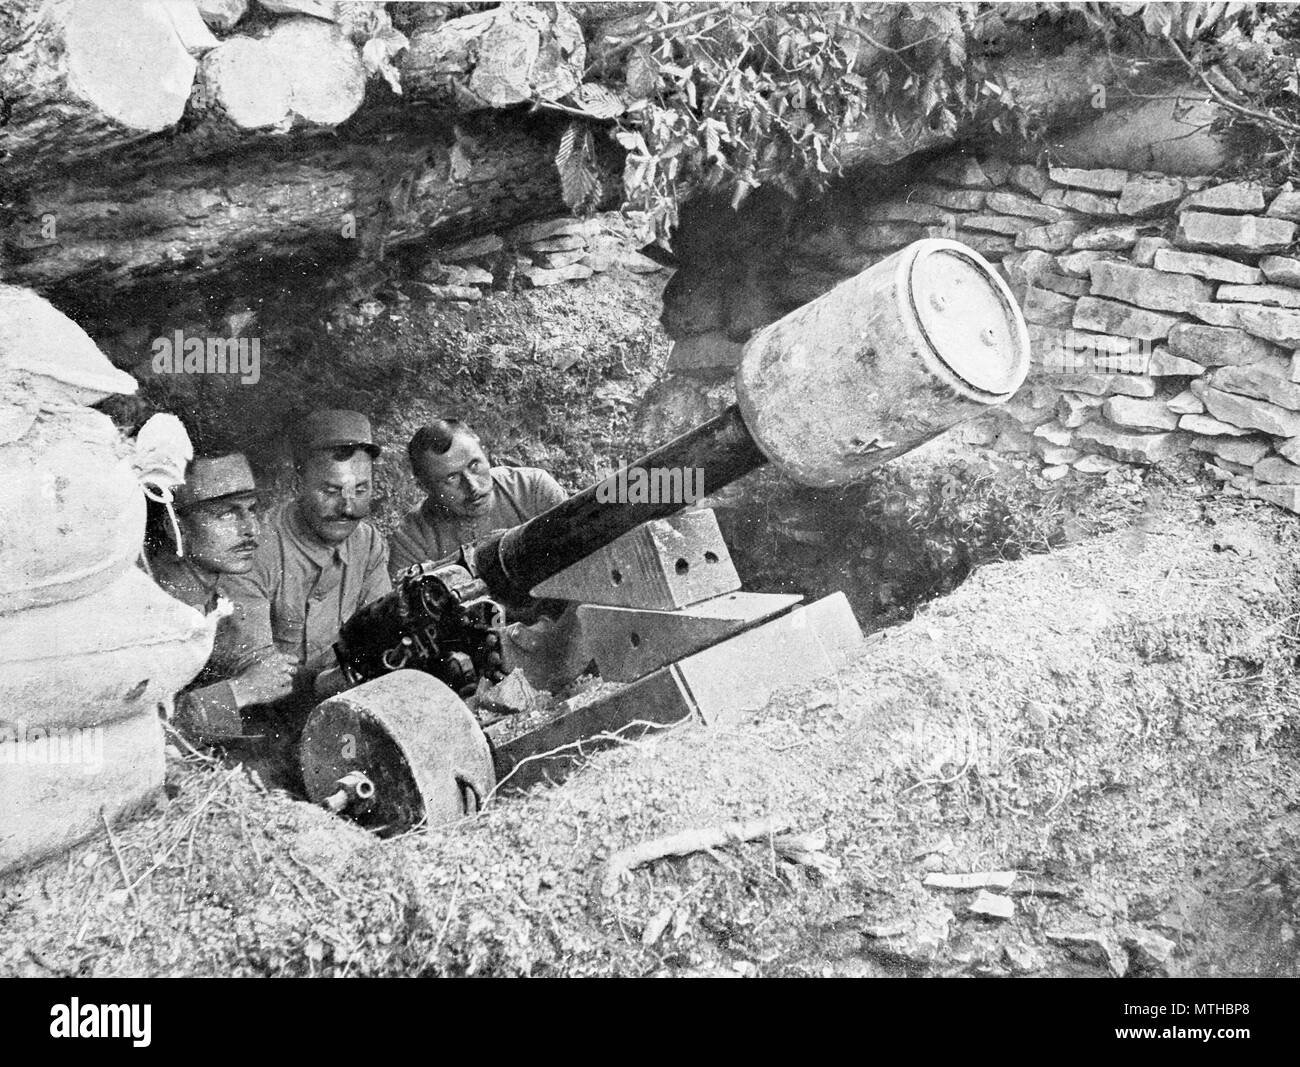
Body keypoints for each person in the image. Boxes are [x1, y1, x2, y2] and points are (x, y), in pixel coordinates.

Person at [222, 410, 391, 745]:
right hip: (268, 724)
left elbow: (381, 630)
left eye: (361, 489)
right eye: (330, 490)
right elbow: (260, 678)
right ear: (298, 483)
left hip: (344, 704)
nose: (348, 507)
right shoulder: (254, 554)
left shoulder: (368, 544)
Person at [149, 453, 296, 742]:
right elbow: (142, 734)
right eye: (226, 514)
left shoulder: (218, 592)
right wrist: (241, 691)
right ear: (175, 527)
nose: (250, 529)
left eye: (251, 510)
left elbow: (257, 666)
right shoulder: (154, 605)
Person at [389, 417, 567, 575]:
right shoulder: (412, 537)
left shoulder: (533, 489)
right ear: (424, 487)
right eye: (452, 478)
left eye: (474, 465)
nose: (472, 486)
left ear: (485, 453)